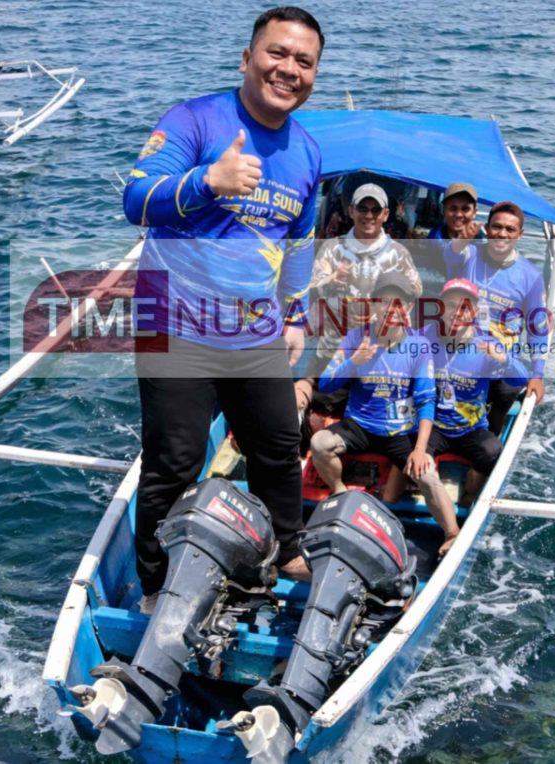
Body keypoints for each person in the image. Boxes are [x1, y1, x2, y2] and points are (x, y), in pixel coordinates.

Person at [122, 7, 325, 609]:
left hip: (252, 329)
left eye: (304, 61)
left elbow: (300, 242)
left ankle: (286, 546)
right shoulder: (194, 119)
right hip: (173, 322)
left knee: (277, 444)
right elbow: (135, 199)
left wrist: (292, 316)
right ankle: (156, 584)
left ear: (314, 73)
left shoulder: (308, 153)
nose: (288, 69)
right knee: (175, 459)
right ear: (247, 58)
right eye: (276, 54)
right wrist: (208, 181)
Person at [309, 271, 460, 556]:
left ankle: (452, 533)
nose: (391, 309)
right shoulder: (356, 337)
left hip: (400, 432)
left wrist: (419, 449)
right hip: (359, 425)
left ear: (410, 308)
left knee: (427, 474)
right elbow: (327, 384)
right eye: (384, 301)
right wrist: (353, 362)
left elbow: (427, 401)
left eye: (399, 302)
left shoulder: (419, 347)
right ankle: (340, 491)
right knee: (319, 444)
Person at [295, 182, 422, 412]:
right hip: (334, 345)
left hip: (377, 348)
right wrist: (332, 280)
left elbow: (416, 289)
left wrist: (388, 297)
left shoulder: (398, 253)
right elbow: (311, 289)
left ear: (385, 215)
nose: (369, 215)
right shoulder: (333, 248)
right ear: (351, 211)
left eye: (376, 210)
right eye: (363, 208)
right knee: (319, 400)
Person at [443, 201, 548, 434]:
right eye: (497, 227)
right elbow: (449, 255)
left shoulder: (530, 276)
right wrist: (462, 238)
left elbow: (537, 328)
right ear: (487, 229)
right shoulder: (469, 253)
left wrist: (538, 374)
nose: (502, 233)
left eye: (510, 229)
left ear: (520, 235)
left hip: (499, 361)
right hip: (458, 351)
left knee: (509, 391)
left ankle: (489, 447)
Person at [424, 278, 529, 501]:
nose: (456, 312)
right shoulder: (423, 337)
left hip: (470, 428)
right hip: (431, 423)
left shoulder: (486, 344)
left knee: (492, 451)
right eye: (451, 305)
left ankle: (470, 497)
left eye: (464, 307)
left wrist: (504, 360)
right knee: (410, 450)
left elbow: (521, 377)